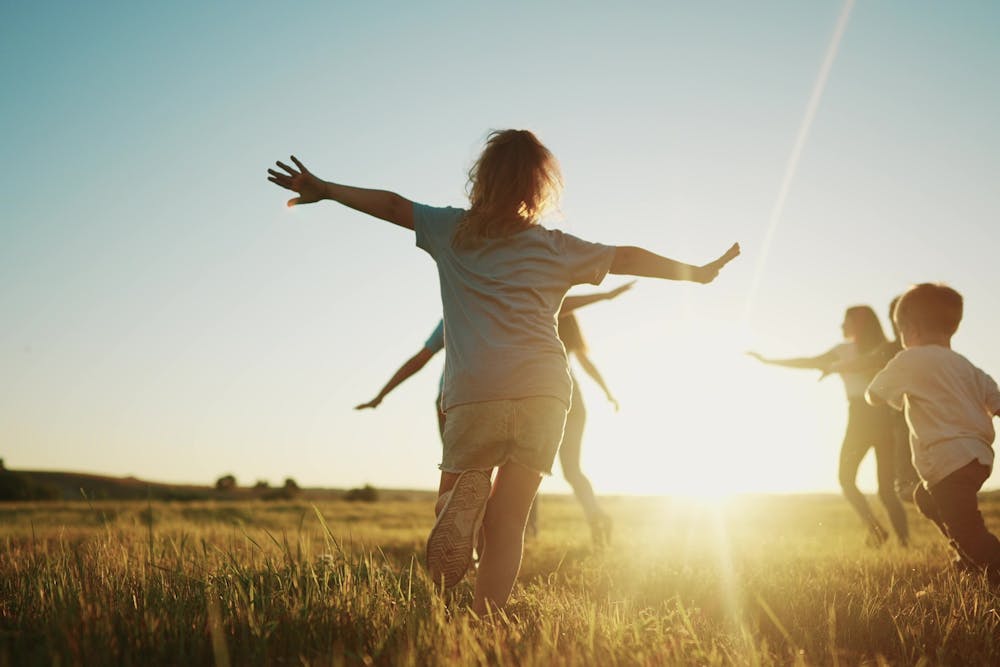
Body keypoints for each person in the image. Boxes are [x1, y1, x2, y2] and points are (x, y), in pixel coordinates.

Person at [267, 128, 740, 614]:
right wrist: (695, 272)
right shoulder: (556, 247)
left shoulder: (451, 230)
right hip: (545, 393)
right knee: (510, 521)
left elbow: (390, 204)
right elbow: (624, 257)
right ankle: (485, 618)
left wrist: (327, 188)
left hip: (476, 392)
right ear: (537, 188)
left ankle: (459, 521)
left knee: (450, 505)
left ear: (482, 178)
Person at [867, 283, 1000, 578]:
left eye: (900, 330)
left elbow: (873, 393)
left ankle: (985, 564)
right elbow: (997, 401)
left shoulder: (909, 359)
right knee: (926, 498)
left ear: (910, 329)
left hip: (947, 462)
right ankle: (967, 556)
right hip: (977, 459)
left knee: (969, 530)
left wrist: (890, 395)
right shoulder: (968, 367)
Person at [748, 306, 909, 546]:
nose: (841, 325)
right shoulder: (884, 348)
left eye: (846, 320)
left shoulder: (852, 351)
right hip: (884, 417)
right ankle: (898, 541)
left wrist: (768, 361)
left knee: (849, 479)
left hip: (864, 417)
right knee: (885, 489)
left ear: (859, 324)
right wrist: (769, 361)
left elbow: (810, 362)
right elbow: (809, 362)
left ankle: (882, 533)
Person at [824, 296, 921, 501]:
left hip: (901, 424)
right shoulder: (933, 353)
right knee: (904, 487)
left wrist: (835, 367)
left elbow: (872, 386)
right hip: (913, 424)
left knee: (904, 488)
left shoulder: (894, 351)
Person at [556, 312, 618, 546]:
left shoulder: (541, 322)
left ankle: (597, 517)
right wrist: (608, 393)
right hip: (574, 405)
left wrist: (608, 393)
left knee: (527, 467)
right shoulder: (567, 330)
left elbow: (588, 365)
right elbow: (588, 365)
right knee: (572, 471)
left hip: (560, 404)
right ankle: (596, 516)